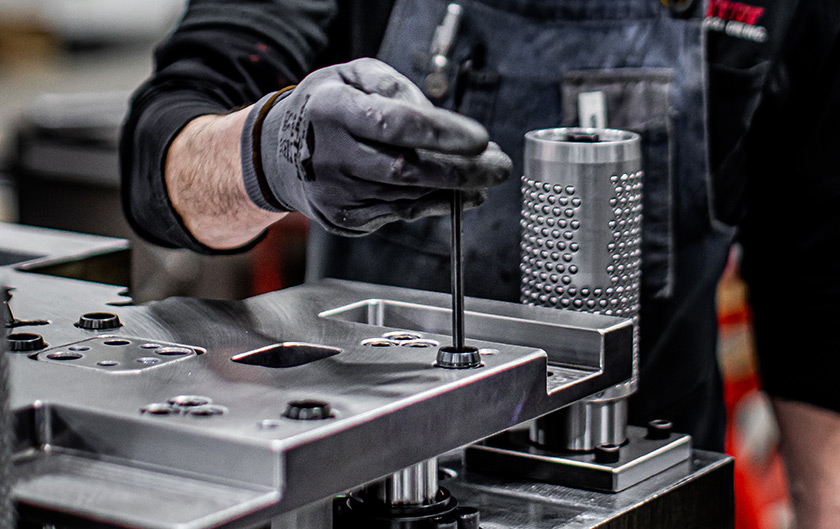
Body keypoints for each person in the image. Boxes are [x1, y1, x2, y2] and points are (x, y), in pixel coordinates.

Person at [120, 1, 840, 527]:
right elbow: (165, 156)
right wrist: (265, 150)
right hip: (368, 487)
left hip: (650, 489)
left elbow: (813, 297)